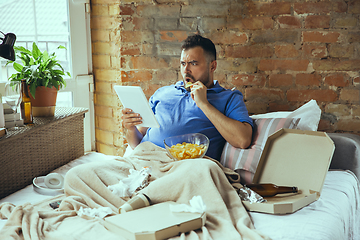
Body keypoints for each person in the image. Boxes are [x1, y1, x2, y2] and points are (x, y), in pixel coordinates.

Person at [122, 34, 253, 160]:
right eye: (183, 63)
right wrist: (130, 128)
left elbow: (243, 140)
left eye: (193, 63)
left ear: (212, 66)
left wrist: (204, 104)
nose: (186, 70)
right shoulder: (162, 93)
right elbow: (137, 143)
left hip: (185, 165)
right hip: (144, 160)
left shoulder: (228, 98)